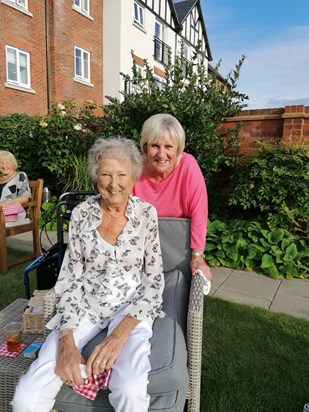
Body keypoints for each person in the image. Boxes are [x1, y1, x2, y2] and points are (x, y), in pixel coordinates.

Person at [12, 137, 165, 412]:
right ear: (96, 176)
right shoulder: (82, 213)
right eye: (105, 174)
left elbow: (154, 282)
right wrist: (66, 342)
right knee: (27, 397)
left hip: (131, 307)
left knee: (130, 390)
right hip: (86, 304)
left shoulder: (146, 214)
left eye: (121, 175)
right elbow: (70, 279)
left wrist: (117, 337)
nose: (113, 183)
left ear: (133, 177)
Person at [133, 113, 211, 279]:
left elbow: (199, 213)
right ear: (145, 146)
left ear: (179, 149)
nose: (161, 154)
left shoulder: (188, 166)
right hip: (138, 254)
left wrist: (197, 256)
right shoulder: (134, 168)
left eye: (168, 147)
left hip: (177, 256)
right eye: (155, 145)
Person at [0, 150, 30, 220]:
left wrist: (6, 203)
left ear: (13, 163)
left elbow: (25, 198)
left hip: (12, 213)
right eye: (1, 163)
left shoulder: (20, 176)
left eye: (7, 163)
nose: (4, 166)